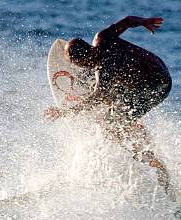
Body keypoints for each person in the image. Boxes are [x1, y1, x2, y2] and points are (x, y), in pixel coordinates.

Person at [44, 16, 173, 195]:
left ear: (82, 62)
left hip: (156, 88)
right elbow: (127, 21)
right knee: (114, 98)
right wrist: (144, 22)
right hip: (158, 69)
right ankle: (131, 122)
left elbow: (96, 97)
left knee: (110, 126)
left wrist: (64, 112)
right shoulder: (102, 37)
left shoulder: (104, 71)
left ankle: (153, 162)